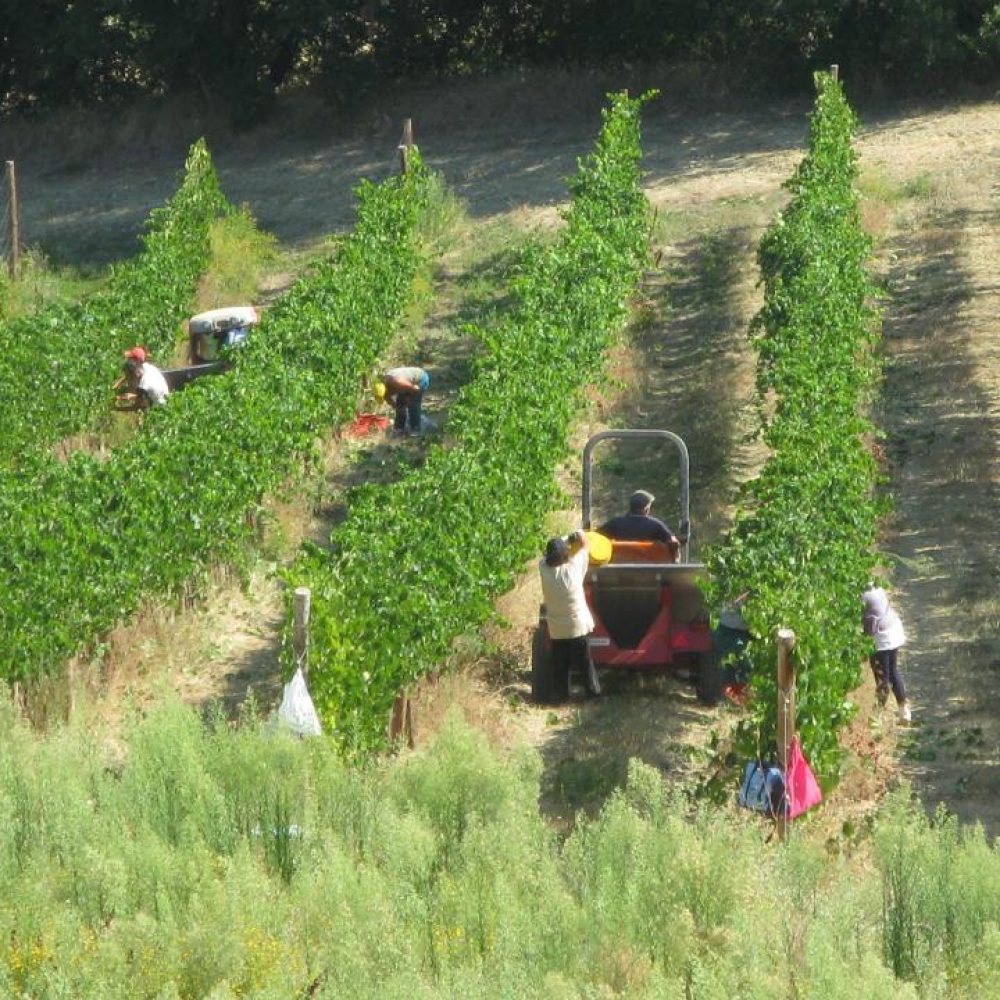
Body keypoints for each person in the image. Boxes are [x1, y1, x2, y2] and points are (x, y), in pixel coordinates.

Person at [538, 529, 601, 697]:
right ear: (565, 554)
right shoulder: (573, 568)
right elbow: (585, 545)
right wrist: (578, 534)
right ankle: (593, 694)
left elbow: (544, 558)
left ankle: (562, 696)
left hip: (557, 629)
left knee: (561, 665)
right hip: (577, 626)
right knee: (585, 663)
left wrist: (564, 539)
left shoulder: (544, 570)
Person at [862, 584, 910, 723]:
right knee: (893, 671)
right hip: (894, 629)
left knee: (882, 678)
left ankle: (877, 717)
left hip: (881, 636)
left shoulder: (861, 596)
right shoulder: (877, 588)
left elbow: (862, 624)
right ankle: (904, 711)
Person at [599, 490, 680, 546]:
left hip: (619, 563)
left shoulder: (615, 523)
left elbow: (595, 538)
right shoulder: (656, 525)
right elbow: (673, 543)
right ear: (646, 509)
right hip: (648, 564)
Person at [374, 366, 430, 435]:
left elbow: (415, 389)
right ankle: (399, 429)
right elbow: (389, 400)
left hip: (420, 379)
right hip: (407, 384)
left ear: (386, 389)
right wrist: (396, 407)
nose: (386, 396)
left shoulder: (397, 382)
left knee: (413, 405)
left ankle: (415, 430)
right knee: (400, 405)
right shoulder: (381, 387)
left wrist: (410, 398)